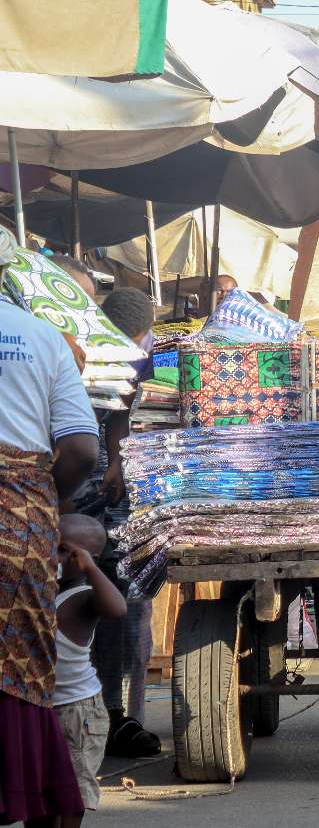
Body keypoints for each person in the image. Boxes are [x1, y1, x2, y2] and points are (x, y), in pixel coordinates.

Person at [0, 269, 99, 828]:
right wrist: (42, 501)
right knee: (30, 688)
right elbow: (84, 450)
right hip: (24, 533)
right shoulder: (41, 335)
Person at [84, 287, 162, 760]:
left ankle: (110, 713)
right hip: (115, 503)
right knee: (127, 609)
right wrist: (116, 463)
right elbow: (120, 414)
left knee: (103, 610)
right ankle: (117, 715)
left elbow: (118, 414)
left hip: (92, 499)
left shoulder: (86, 350)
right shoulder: (138, 356)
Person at [33, 515, 125, 828]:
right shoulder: (43, 590)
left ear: (83, 557)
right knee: (47, 786)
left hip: (79, 712)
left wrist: (91, 569)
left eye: (61, 550)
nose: (50, 556)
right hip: (45, 708)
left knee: (74, 786)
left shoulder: (84, 597)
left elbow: (118, 608)